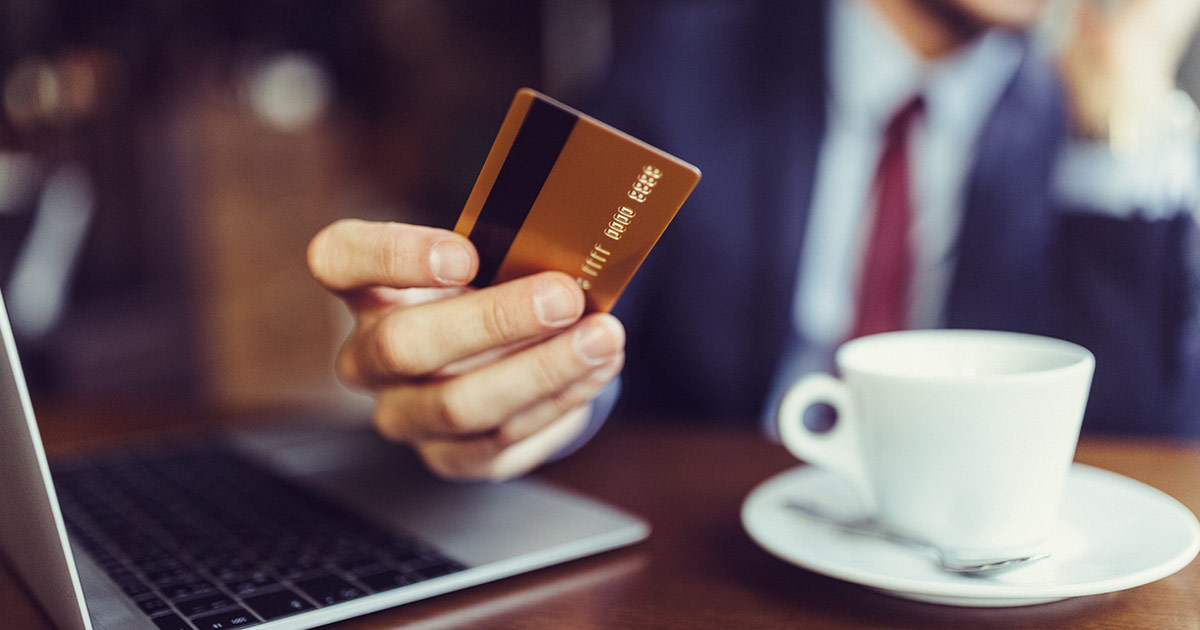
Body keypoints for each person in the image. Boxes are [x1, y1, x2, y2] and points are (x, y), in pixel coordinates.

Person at [306, 0, 1200, 481]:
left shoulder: (1091, 123)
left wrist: (1114, 125)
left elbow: (1140, 450)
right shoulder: (686, 53)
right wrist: (518, 390)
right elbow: (574, 329)